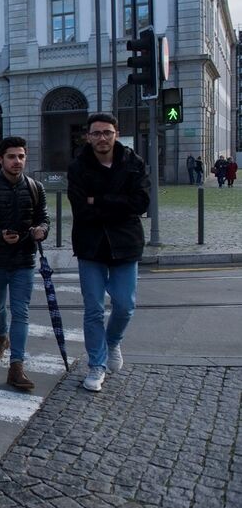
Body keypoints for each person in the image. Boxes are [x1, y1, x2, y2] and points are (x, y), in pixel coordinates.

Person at [68, 113, 149, 393]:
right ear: (88, 137)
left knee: (125, 305)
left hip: (126, 244)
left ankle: (112, 341)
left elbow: (140, 202)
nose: (102, 138)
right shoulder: (78, 167)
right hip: (90, 245)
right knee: (93, 309)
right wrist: (118, 203)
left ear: (116, 134)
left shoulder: (133, 162)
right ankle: (96, 364)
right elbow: (80, 207)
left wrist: (99, 200)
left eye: (107, 132)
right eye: (96, 133)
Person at [0, 137, 49, 391]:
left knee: (21, 311)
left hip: (24, 259)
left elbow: (44, 218)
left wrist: (41, 230)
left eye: (21, 156)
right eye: (12, 157)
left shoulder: (36, 187)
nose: (17, 161)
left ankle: (16, 366)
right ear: (1, 159)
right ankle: (0, 337)